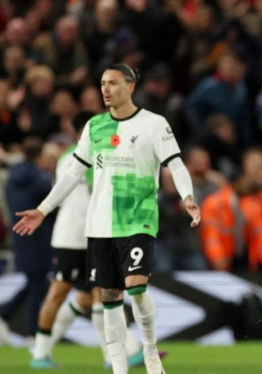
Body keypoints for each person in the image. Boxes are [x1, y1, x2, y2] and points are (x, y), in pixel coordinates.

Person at [13, 63, 200, 374]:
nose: (105, 89)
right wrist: (43, 209)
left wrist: (188, 197)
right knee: (109, 296)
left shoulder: (154, 124)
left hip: (138, 219)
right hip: (99, 225)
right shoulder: (95, 127)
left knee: (137, 288)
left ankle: (150, 351)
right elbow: (73, 173)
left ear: (131, 86)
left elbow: (176, 165)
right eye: (102, 83)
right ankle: (118, 367)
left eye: (113, 83)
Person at [29, 111, 158, 369]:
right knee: (61, 292)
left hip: (91, 233)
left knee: (98, 294)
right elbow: (104, 186)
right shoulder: (80, 157)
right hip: (73, 236)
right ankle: (41, 353)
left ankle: (117, 354)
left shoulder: (74, 156)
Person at [1, 137, 54, 343]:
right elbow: (52, 206)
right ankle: (33, 333)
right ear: (39, 156)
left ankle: (5, 316)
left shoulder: (13, 176)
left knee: (34, 284)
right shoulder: (40, 180)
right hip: (39, 239)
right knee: (38, 286)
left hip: (20, 237)